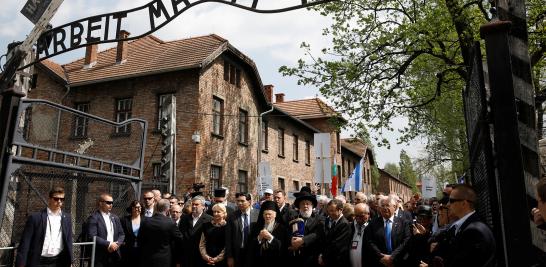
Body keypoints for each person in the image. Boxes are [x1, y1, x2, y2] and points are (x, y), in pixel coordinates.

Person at [16, 187, 73, 267]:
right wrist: (20, 263)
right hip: (38, 261)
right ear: (49, 199)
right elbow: (25, 243)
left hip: (58, 261)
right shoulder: (35, 218)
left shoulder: (67, 218)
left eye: (62, 199)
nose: (59, 201)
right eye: (56, 199)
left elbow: (69, 240)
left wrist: (70, 260)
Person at [441, 184, 495, 266]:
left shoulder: (474, 231)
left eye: (451, 200)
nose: (448, 204)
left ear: (464, 203)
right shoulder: (470, 225)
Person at [364, 195, 410, 267]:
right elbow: (370, 241)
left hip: (398, 261)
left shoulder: (403, 223)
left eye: (387, 205)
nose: (385, 208)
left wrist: (392, 257)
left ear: (394, 207)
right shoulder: (373, 224)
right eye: (382, 206)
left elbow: (406, 241)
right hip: (380, 262)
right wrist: (381, 256)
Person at [138, 199, 183, 267]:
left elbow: (140, 240)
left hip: (147, 258)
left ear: (156, 208)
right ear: (168, 210)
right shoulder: (170, 223)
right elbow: (180, 239)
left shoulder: (145, 221)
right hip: (164, 259)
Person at [86, 193, 125, 267]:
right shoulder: (94, 218)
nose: (111, 205)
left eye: (112, 203)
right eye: (108, 203)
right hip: (100, 255)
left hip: (114, 253)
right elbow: (92, 236)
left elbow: (121, 234)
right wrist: (109, 244)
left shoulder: (115, 217)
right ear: (100, 203)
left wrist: (116, 245)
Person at [288, 190, 325, 267]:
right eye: (303, 204)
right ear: (299, 206)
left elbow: (319, 233)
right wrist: (292, 241)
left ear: (312, 205)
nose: (305, 206)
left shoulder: (319, 218)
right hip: (296, 257)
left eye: (307, 204)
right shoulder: (294, 218)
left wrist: (303, 240)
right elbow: (287, 232)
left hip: (312, 257)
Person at [248, 200, 289, 267]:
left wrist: (271, 238)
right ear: (262, 215)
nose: (267, 216)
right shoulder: (257, 227)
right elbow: (251, 246)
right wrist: (259, 238)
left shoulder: (282, 228)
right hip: (259, 262)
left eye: (270, 214)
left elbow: (283, 247)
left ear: (275, 214)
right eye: (265, 214)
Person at [226, 192, 259, 267]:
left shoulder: (257, 215)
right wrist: (229, 257)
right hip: (237, 254)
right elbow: (228, 238)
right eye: (238, 201)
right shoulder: (232, 216)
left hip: (253, 253)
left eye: (242, 201)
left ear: (249, 202)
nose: (239, 203)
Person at [179, 195, 213, 267]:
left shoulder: (209, 219)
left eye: (196, 204)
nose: (194, 206)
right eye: (193, 204)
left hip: (201, 258)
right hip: (186, 257)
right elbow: (181, 236)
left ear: (203, 206)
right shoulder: (184, 218)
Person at [319, 199, 351, 267]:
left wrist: (323, 257)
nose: (330, 213)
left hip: (339, 261)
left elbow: (336, 245)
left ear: (340, 210)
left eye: (332, 211)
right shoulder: (335, 222)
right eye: (329, 211)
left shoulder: (344, 224)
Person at [120, 200, 142, 267]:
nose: (137, 209)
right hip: (128, 249)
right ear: (131, 208)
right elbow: (121, 232)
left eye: (139, 207)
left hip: (141, 250)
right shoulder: (124, 220)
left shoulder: (146, 220)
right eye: (135, 207)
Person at [350, 203, 370, 267]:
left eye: (361, 216)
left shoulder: (372, 228)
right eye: (356, 216)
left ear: (368, 214)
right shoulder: (350, 227)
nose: (358, 218)